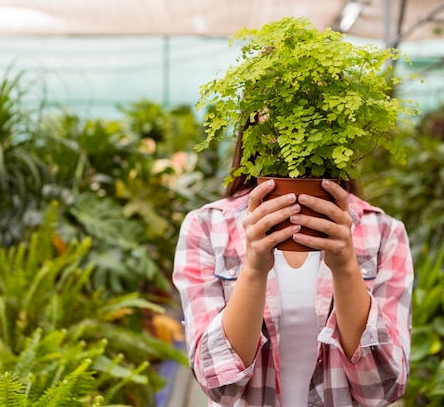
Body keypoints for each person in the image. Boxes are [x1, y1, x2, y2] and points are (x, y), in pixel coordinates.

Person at [172, 131, 413, 407]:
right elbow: (218, 386)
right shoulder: (207, 227)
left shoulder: (384, 232)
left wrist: (346, 265)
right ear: (252, 118)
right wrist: (253, 269)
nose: (294, 129)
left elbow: (383, 388)